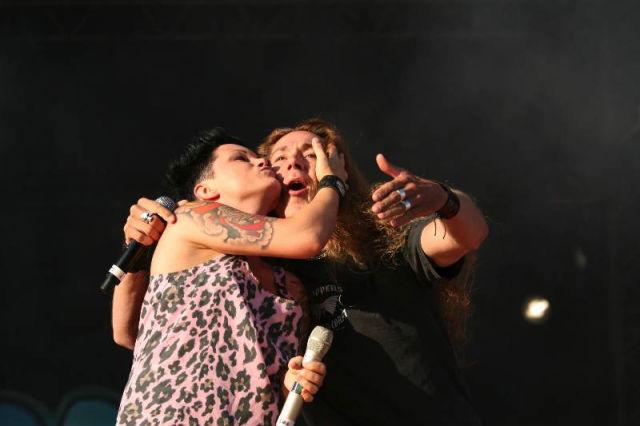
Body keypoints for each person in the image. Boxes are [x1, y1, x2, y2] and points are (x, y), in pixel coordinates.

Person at [125, 119, 489, 425]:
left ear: (339, 171)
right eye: (279, 159)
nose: (293, 164)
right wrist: (142, 243)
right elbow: (144, 331)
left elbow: (470, 234)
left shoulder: (385, 238)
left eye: (312, 155)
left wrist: (444, 199)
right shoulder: (262, 275)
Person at [112, 127, 347, 425]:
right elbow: (308, 236)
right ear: (206, 190)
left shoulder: (290, 287)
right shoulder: (191, 218)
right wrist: (332, 182)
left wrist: (293, 380)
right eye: (241, 159)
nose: (261, 162)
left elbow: (269, 381)